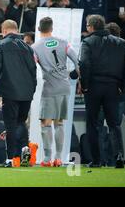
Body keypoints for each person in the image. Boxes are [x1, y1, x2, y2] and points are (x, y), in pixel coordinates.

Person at [79, 14, 125, 168]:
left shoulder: (87, 42)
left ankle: (96, 160)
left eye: (87, 25)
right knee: (114, 124)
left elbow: (84, 64)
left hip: (94, 86)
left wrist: (85, 85)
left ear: (91, 26)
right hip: (113, 87)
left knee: (93, 124)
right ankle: (119, 157)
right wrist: (123, 87)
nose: (86, 28)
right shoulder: (120, 42)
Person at [0, 20, 37, 168]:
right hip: (27, 93)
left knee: (10, 125)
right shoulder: (28, 48)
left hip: (10, 91)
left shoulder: (1, 45)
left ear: (4, 30)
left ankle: (11, 158)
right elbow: (33, 70)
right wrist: (32, 89)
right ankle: (24, 153)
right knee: (21, 122)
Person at [32, 17, 79, 167]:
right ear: (52, 28)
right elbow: (77, 60)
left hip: (50, 88)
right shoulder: (64, 42)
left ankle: (46, 158)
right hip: (64, 86)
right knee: (59, 123)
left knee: (45, 123)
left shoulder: (35, 47)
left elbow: (31, 68)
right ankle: (58, 157)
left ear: (39, 29)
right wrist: (77, 76)